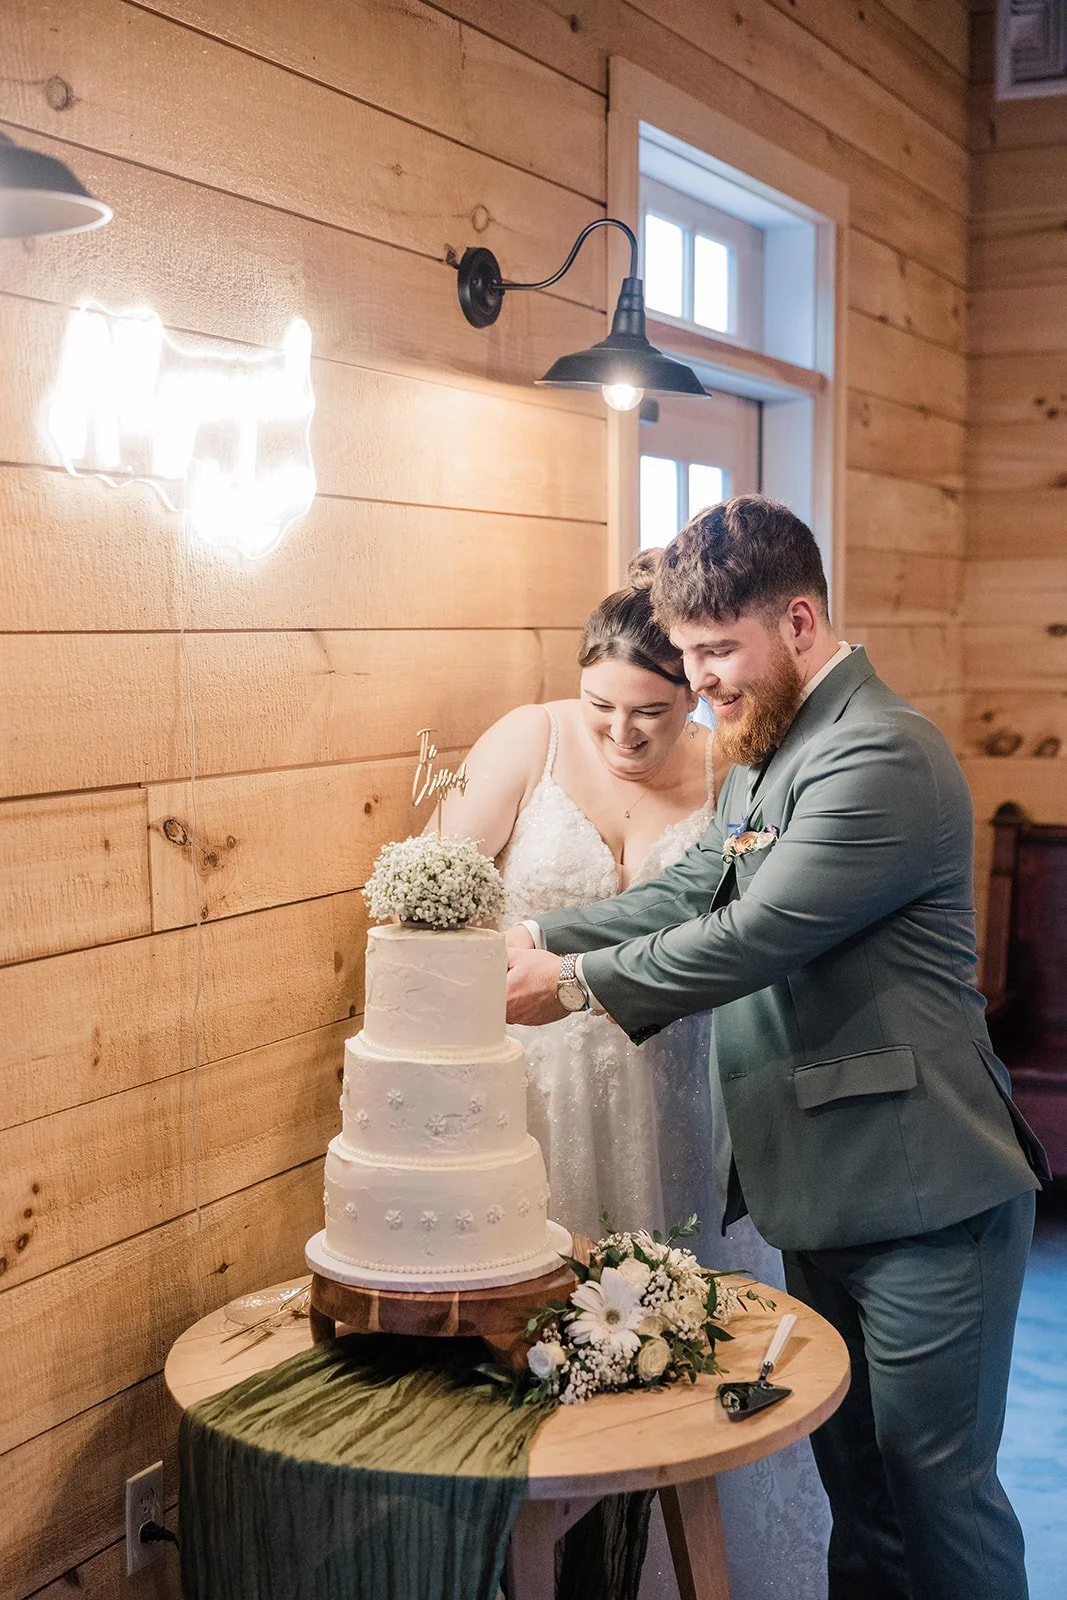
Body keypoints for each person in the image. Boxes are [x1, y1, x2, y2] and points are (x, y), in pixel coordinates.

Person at [505, 495, 1049, 1600]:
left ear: (797, 623)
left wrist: (565, 984)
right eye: (689, 650)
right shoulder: (765, 749)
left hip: (924, 1193)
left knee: (937, 1496)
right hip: (817, 1185)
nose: (697, 678)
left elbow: (750, 935)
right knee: (860, 1497)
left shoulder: (878, 756)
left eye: (715, 649)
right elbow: (690, 886)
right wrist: (540, 932)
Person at [441, 550, 830, 1597]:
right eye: (600, 704)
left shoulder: (735, 777)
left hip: (681, 1089)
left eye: (652, 711)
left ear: (693, 695)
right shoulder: (529, 740)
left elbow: (737, 924)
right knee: (542, 1351)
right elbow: (438, 896)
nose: (622, 733)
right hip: (537, 1096)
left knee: (687, 1353)